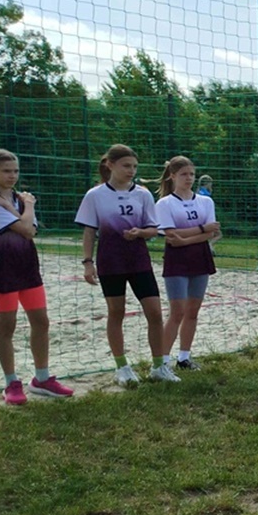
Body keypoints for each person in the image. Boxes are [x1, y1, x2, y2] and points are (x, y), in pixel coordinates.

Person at [75, 144, 178, 384]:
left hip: (139, 260)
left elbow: (154, 229)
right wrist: (88, 263)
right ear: (110, 165)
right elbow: (89, 231)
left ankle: (158, 366)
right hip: (110, 261)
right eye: (126, 166)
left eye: (134, 166)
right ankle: (122, 368)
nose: (131, 170)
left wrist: (140, 232)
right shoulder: (95, 195)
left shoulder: (142, 194)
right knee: (116, 312)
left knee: (154, 312)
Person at [0, 149, 74, 404]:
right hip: (2, 269)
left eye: (15, 170)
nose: (12, 175)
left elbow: (31, 231)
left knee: (41, 321)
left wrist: (17, 206)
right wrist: (27, 206)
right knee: (7, 325)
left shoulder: (17, 198)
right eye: (6, 171)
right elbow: (27, 229)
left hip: (28, 266)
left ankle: (41, 378)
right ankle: (11, 383)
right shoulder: (1, 201)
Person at [155, 156, 219, 372]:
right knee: (177, 311)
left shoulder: (205, 201)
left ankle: (184, 358)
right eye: (184, 174)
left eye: (191, 174)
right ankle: (161, 361)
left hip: (200, 257)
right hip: (176, 260)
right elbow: (171, 235)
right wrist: (201, 229)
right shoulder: (165, 203)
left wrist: (188, 237)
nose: (189, 178)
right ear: (172, 176)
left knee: (193, 311)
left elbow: (212, 232)